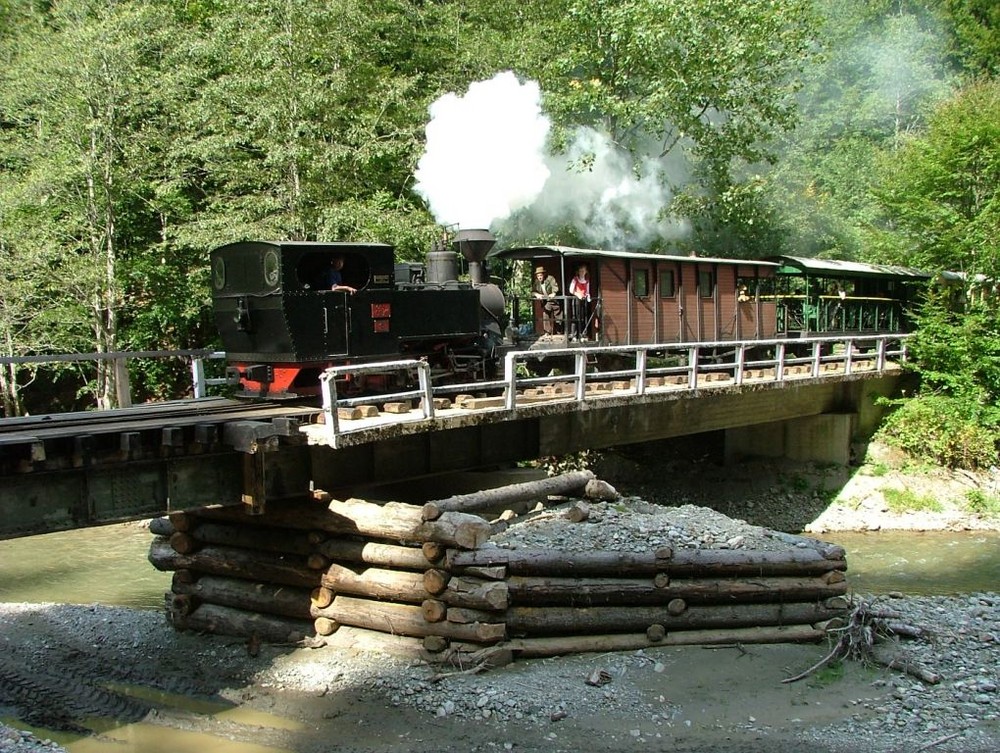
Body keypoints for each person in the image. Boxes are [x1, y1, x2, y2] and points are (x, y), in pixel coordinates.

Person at [532, 266, 562, 335]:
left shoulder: (550, 278)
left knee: (558, 316)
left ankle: (559, 332)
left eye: (540, 275)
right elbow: (533, 291)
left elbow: (555, 288)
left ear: (544, 275)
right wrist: (537, 294)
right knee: (545, 314)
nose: (539, 277)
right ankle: (547, 332)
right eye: (538, 276)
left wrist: (553, 293)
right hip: (546, 301)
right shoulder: (537, 282)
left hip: (555, 300)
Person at [568, 264, 591, 340]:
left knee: (583, 317)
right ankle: (574, 334)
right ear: (578, 272)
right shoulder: (575, 279)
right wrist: (577, 294)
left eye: (583, 271)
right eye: (580, 271)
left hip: (583, 301)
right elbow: (571, 290)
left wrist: (588, 296)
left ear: (586, 272)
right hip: (576, 300)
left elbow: (587, 291)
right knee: (575, 317)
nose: (582, 272)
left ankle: (583, 334)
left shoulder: (587, 281)